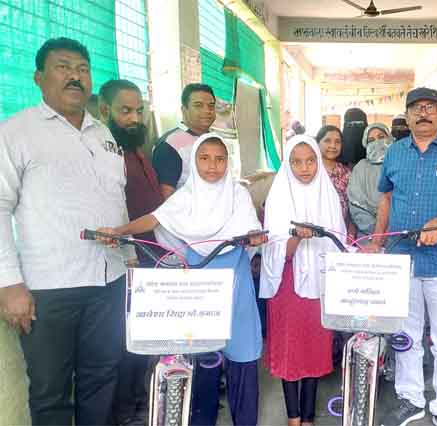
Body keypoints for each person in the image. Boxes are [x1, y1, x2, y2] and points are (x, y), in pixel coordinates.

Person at [0, 37, 134, 426]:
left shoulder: (102, 133)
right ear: (39, 77)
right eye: (63, 67)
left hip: (109, 281)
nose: (75, 76)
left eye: (82, 69)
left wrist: (129, 261)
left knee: (102, 379)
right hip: (50, 287)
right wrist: (9, 283)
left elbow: (117, 201)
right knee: (50, 392)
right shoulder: (16, 132)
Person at [95, 134, 268, 426]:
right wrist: (119, 231)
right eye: (204, 158)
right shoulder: (185, 197)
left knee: (242, 358)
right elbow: (155, 219)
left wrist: (254, 236)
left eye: (220, 159)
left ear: (228, 163)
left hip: (236, 285)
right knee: (203, 359)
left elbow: (252, 228)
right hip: (199, 288)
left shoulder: (238, 194)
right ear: (194, 161)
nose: (212, 165)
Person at [366, 87, 437, 426]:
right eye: (416, 108)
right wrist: (377, 241)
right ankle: (411, 399)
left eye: (430, 107)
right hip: (402, 258)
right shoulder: (395, 153)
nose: (423, 113)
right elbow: (386, 199)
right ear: (407, 115)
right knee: (406, 336)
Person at [260, 135, 346, 426]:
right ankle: (293, 418)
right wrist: (296, 237)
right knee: (290, 350)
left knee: (314, 349)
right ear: (288, 164)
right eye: (296, 162)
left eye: (310, 161)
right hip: (287, 285)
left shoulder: (327, 194)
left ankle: (307, 418)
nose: (305, 168)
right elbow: (276, 252)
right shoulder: (279, 195)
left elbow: (338, 241)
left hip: (320, 285)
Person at [98, 78, 165, 425]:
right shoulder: (103, 156)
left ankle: (138, 401)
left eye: (138, 110)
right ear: (104, 110)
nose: (134, 118)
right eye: (125, 111)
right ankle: (123, 412)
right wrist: (130, 257)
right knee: (125, 343)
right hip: (126, 261)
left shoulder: (139, 151)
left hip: (152, 257)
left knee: (145, 340)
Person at [152, 83, 217, 201]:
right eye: (198, 105)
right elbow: (166, 200)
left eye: (211, 106)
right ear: (184, 110)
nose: (207, 111)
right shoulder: (169, 145)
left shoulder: (215, 139)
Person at [347, 123, 394, 237]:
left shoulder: (400, 164)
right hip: (367, 235)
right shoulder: (361, 167)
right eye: (371, 140)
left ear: (390, 138)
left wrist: (391, 231)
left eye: (381, 137)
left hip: (398, 234)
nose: (377, 142)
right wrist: (375, 231)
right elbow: (355, 203)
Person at [317, 125, 356, 238]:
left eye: (337, 142)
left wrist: (351, 232)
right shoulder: (310, 171)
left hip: (339, 232)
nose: (333, 146)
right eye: (327, 141)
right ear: (317, 143)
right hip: (313, 233)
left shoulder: (347, 173)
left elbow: (352, 207)